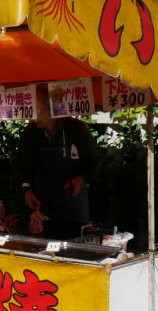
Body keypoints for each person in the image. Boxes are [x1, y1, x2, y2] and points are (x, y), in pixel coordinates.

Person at [12, 87, 103, 238]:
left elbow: (95, 160)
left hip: (74, 204)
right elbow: (22, 164)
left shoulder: (76, 129)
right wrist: (26, 190)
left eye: (38, 110)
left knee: (73, 243)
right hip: (43, 203)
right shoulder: (31, 132)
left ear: (52, 110)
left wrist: (80, 179)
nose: (34, 116)